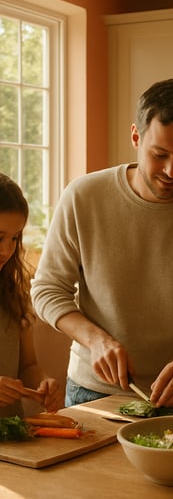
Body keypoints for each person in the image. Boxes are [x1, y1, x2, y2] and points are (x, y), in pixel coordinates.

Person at [31, 78, 173, 408]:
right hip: (94, 390)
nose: (171, 170)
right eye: (159, 154)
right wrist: (96, 340)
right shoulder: (83, 197)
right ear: (136, 135)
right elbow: (47, 290)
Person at [0, 173, 64, 417]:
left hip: (12, 442)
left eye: (15, 238)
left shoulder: (13, 293)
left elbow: (28, 366)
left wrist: (43, 382)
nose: (7, 250)